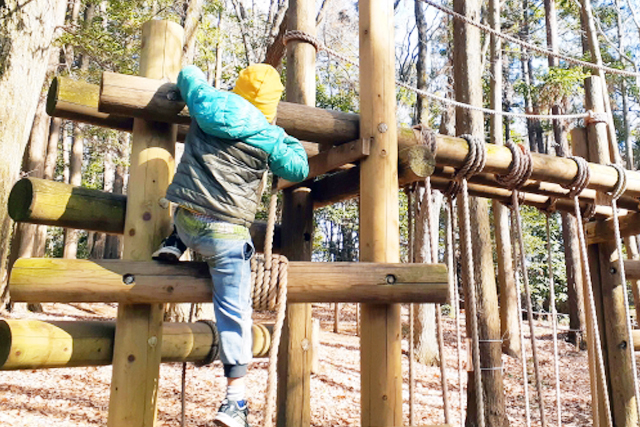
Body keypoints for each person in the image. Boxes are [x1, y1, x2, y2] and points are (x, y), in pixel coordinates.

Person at [156, 63, 309, 427]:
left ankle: (174, 243)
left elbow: (188, 75)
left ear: (238, 89)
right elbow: (298, 168)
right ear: (270, 105)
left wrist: (194, 82)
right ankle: (235, 401)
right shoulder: (267, 134)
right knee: (234, 312)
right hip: (224, 239)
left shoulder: (208, 102)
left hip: (187, 220)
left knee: (189, 206)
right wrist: (280, 137)